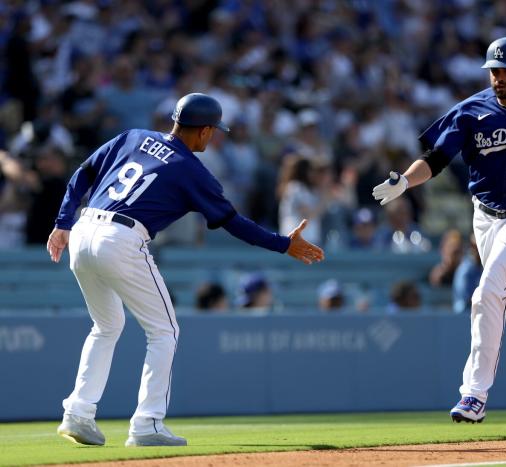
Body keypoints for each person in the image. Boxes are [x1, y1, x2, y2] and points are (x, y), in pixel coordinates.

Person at [46, 93, 324, 447]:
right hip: (122, 238)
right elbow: (233, 223)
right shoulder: (191, 169)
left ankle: (78, 413)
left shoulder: (133, 137)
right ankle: (147, 423)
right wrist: (283, 244)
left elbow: (83, 173)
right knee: (164, 330)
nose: (214, 137)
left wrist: (62, 222)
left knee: (106, 326)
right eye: (214, 131)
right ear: (205, 131)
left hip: (83, 230)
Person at [373, 37, 506, 423]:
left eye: (505, 70)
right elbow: (436, 158)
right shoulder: (471, 110)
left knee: (487, 291)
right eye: (493, 70)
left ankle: (474, 394)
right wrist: (405, 182)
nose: (498, 77)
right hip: (485, 216)